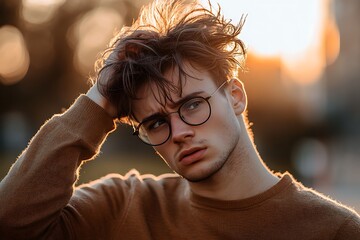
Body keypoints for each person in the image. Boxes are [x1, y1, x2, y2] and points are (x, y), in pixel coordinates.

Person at [0, 0, 359, 239]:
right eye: (156, 122)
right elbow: (11, 222)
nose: (180, 133)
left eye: (191, 105)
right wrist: (98, 100)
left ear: (234, 96)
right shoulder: (123, 206)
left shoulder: (335, 230)